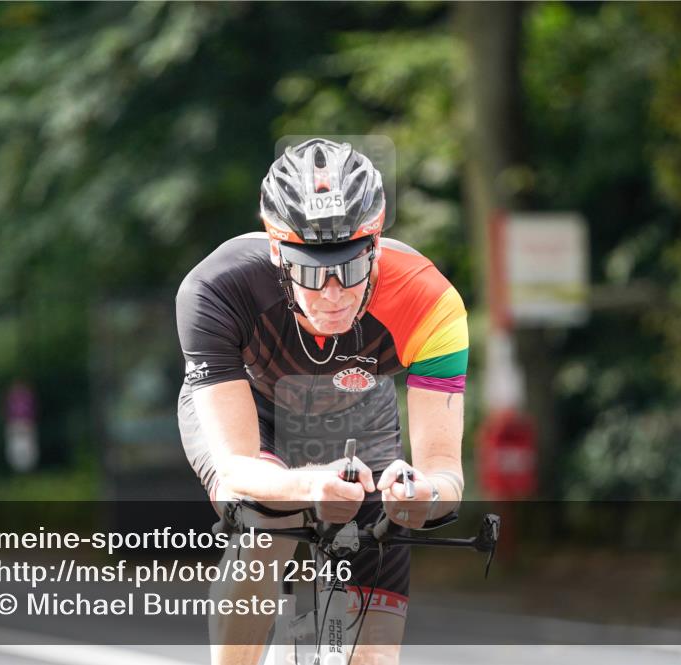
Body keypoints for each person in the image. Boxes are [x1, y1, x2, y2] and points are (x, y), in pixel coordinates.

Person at [176, 138, 468, 665]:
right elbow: (238, 466)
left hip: (357, 417)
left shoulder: (431, 304)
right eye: (311, 273)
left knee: (373, 655)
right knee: (265, 525)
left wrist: (420, 494)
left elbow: (446, 473)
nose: (332, 294)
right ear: (276, 254)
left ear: (376, 246)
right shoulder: (215, 289)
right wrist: (310, 484)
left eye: (350, 270)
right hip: (253, 413)